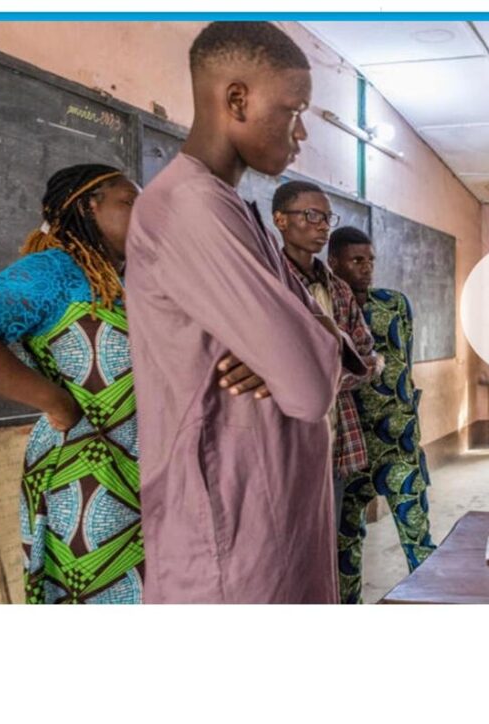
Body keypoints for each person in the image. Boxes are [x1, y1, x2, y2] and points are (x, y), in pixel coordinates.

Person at [126, 22, 361, 603]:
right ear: (237, 99)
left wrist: (305, 337)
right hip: (230, 535)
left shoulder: (237, 207)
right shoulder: (191, 206)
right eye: (293, 110)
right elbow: (307, 387)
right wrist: (307, 343)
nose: (301, 131)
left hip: (271, 514)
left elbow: (305, 355)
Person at [0, 164, 144, 603]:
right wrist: (54, 402)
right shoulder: (53, 271)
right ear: (88, 207)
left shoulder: (134, 279)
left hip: (144, 469)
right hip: (83, 477)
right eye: (130, 202)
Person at [329, 226, 436, 604]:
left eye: (370, 260)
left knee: (418, 535)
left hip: (399, 445)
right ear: (334, 262)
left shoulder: (394, 304)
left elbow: (404, 364)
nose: (367, 268)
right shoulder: (326, 310)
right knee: (345, 546)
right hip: (349, 450)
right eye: (357, 260)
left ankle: (435, 603)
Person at [271, 180, 378, 525]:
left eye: (326, 218)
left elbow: (365, 358)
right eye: (311, 215)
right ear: (280, 220)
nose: (321, 225)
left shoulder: (338, 290)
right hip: (282, 441)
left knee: (326, 542)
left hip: (335, 440)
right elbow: (269, 366)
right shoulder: (267, 284)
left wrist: (318, 378)